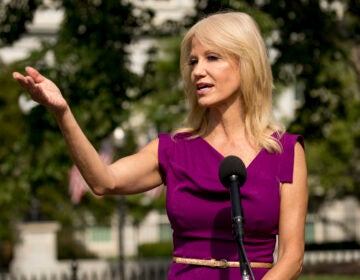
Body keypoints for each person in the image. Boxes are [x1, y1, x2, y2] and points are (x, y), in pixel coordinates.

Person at [13, 11, 308, 280]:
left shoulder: (285, 152)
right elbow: (104, 181)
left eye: (212, 58)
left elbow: (292, 257)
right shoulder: (173, 149)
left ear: (246, 65)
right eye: (193, 61)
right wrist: (62, 112)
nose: (197, 71)